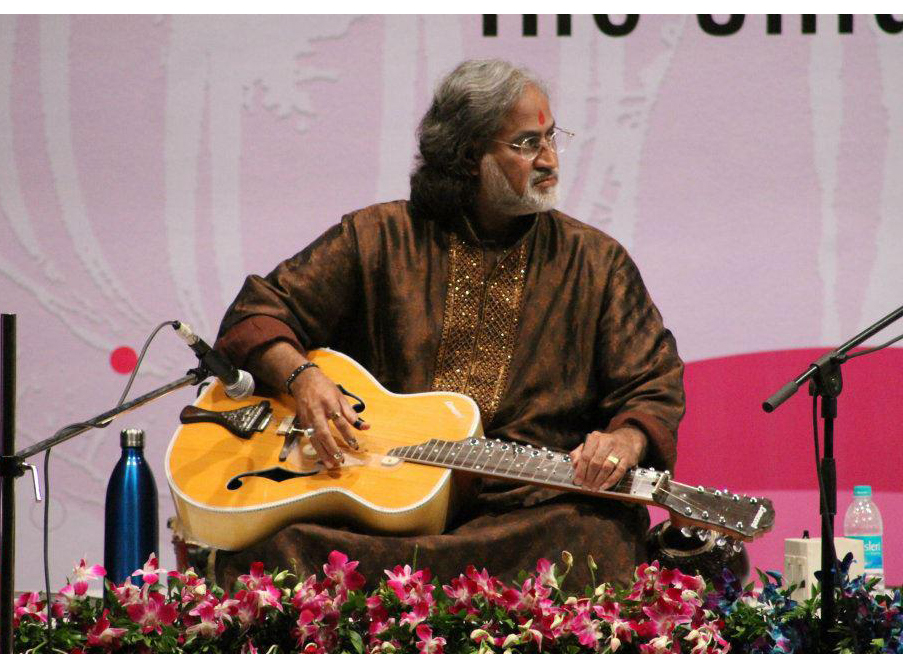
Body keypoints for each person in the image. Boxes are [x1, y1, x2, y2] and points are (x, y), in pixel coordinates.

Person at [212, 59, 685, 589]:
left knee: (596, 534)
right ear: (466, 157)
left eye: (552, 138)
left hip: (525, 510)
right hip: (382, 507)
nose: (550, 160)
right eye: (527, 144)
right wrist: (303, 379)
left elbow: (652, 381)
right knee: (279, 546)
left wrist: (626, 437)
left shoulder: (594, 262)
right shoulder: (378, 238)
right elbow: (256, 314)